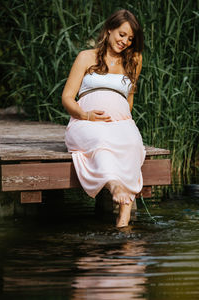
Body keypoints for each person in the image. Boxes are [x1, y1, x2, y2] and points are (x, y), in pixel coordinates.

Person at [62, 9, 146, 227]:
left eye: (130, 38)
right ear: (109, 30)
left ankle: (124, 217)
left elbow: (129, 101)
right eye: (121, 34)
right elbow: (67, 98)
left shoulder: (134, 60)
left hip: (120, 123)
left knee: (132, 143)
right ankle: (113, 184)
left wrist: (122, 120)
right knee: (100, 142)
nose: (125, 41)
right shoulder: (86, 57)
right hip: (86, 122)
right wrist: (85, 114)